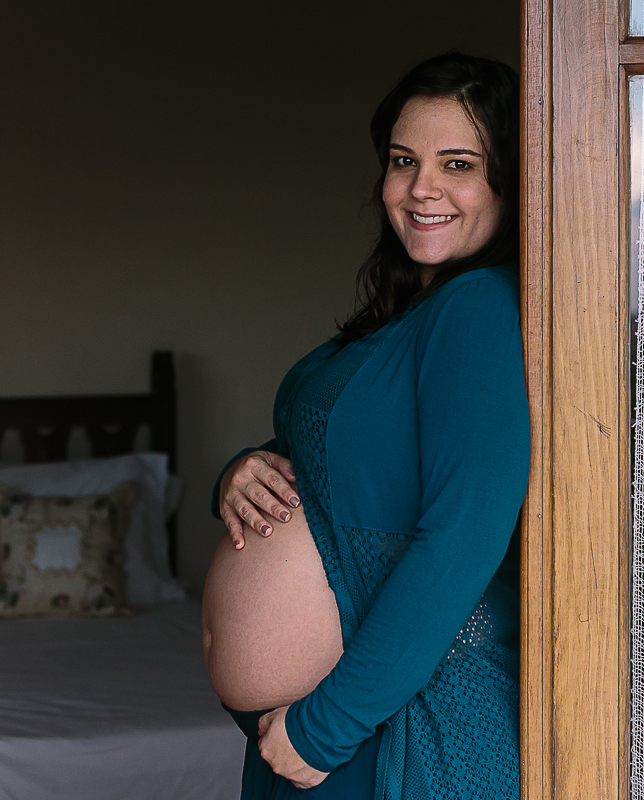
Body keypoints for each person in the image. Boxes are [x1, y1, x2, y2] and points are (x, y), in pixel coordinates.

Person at [201, 52, 529, 800]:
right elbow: (340, 465)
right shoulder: (410, 315)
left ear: (509, 181)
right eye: (404, 160)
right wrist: (241, 471)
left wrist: (329, 724)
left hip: (386, 729)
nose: (421, 188)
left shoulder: (480, 308)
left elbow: (463, 537)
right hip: (329, 726)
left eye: (458, 164)